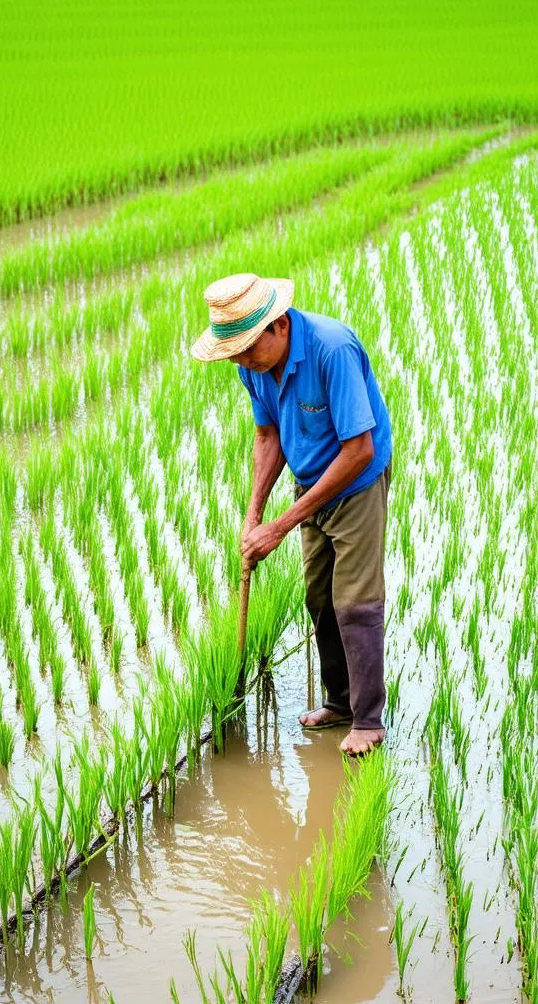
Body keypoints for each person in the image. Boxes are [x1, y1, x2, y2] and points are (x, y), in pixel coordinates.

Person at [190, 272, 392, 756]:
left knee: (354, 601)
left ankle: (368, 721)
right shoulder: (253, 366)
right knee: (319, 597)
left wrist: (280, 526)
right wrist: (254, 514)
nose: (240, 360)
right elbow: (268, 436)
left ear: (279, 325)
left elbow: (358, 449)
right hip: (310, 479)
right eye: (233, 351)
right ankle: (340, 703)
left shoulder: (331, 349)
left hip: (356, 480)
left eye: (245, 348)